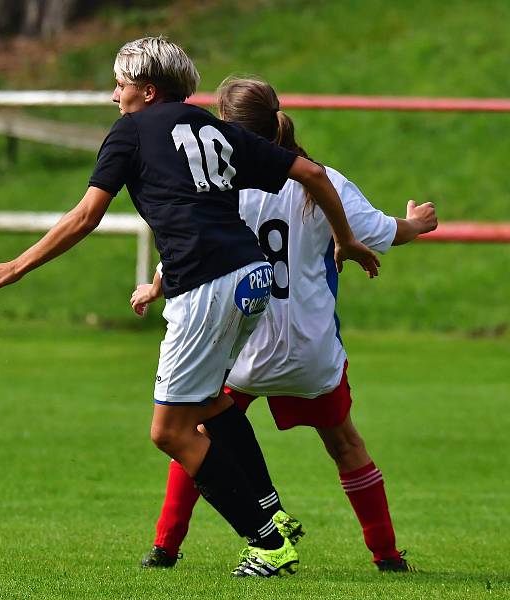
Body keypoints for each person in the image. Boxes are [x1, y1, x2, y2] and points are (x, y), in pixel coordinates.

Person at [0, 37, 380, 578]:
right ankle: (272, 515)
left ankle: (267, 542)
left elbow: (85, 216)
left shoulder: (130, 131)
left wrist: (15, 266)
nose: (114, 95)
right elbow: (310, 173)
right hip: (251, 278)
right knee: (210, 403)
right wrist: (347, 239)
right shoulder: (214, 128)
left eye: (120, 84)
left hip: (204, 284)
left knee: (168, 432)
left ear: (147, 90)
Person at [131, 76, 437, 573]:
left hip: (242, 348)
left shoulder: (217, 181)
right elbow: (381, 233)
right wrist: (415, 224)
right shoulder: (323, 180)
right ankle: (387, 557)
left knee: (195, 429)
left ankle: (165, 547)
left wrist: (155, 284)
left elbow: (195, 245)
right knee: (346, 445)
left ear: (223, 126)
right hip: (309, 352)